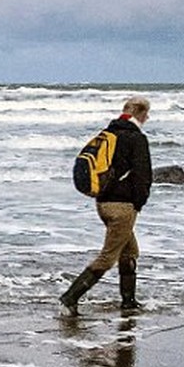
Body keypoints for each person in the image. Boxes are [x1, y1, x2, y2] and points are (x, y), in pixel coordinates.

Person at [60, 96, 152, 316]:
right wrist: (139, 203)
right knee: (108, 256)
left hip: (103, 203)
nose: (148, 117)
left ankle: (128, 302)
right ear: (140, 113)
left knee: (130, 251)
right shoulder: (136, 138)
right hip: (123, 207)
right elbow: (143, 175)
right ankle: (70, 297)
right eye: (147, 113)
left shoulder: (108, 134)